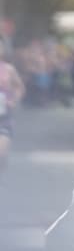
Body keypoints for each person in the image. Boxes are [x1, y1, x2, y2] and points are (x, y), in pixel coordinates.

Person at [0, 37, 26, 173]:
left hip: (3, 117)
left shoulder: (8, 69)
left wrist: (14, 100)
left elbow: (19, 87)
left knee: (1, 153)